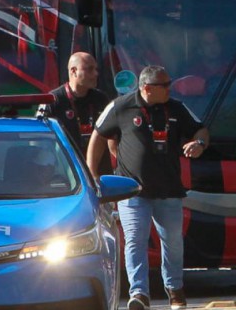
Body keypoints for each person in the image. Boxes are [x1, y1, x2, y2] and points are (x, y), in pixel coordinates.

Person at [88, 65, 210, 310]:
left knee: (173, 242)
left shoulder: (176, 107)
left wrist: (199, 143)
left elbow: (202, 129)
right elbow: (98, 136)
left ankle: (174, 289)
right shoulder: (121, 106)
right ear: (146, 88)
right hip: (131, 191)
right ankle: (139, 294)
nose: (169, 88)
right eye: (164, 85)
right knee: (134, 241)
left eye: (169, 84)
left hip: (168, 190)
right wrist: (93, 175)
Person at [47, 52, 112, 158]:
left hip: (99, 166)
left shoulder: (101, 99)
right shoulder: (54, 100)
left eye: (96, 69)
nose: (96, 74)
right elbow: (44, 141)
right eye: (90, 69)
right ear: (74, 71)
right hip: (69, 165)